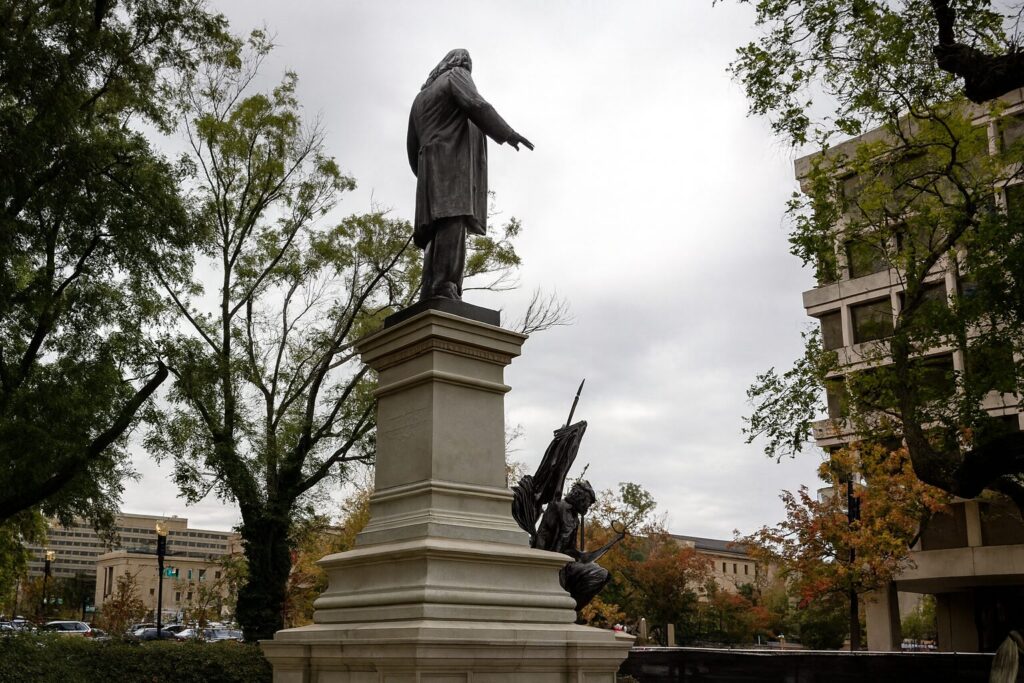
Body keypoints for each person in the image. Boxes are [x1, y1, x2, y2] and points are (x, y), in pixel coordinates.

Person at [407, 49, 533, 301]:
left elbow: (412, 144)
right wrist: (507, 133)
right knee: (454, 220)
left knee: (436, 228)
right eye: (466, 63)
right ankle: (444, 285)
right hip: (452, 163)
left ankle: (429, 288)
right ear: (457, 64)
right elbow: (476, 104)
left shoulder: (420, 98)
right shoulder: (456, 75)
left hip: (428, 167)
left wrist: (425, 172)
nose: (467, 66)